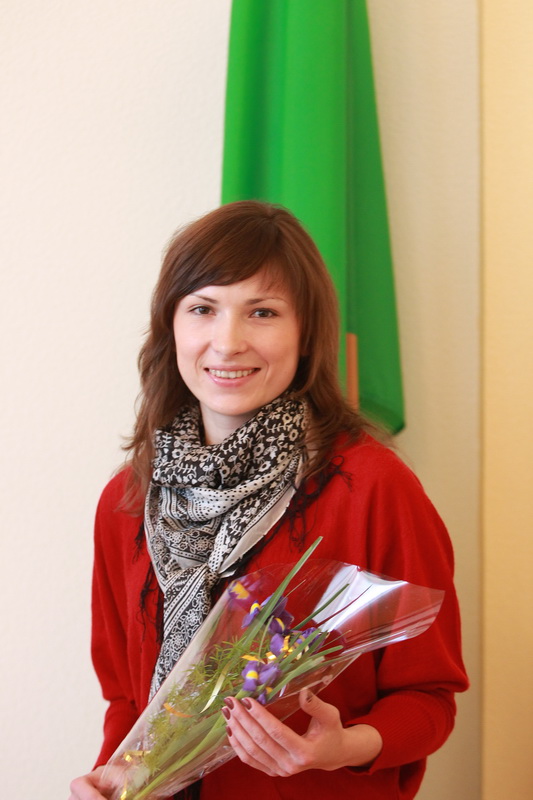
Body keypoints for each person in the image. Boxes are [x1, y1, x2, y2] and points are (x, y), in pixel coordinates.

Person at [69, 200, 468, 800]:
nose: (228, 342)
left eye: (263, 312)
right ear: (171, 327)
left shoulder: (373, 487)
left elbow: (429, 699)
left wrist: (340, 748)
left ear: (306, 335)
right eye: (202, 309)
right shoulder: (125, 501)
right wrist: (111, 778)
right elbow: (127, 701)